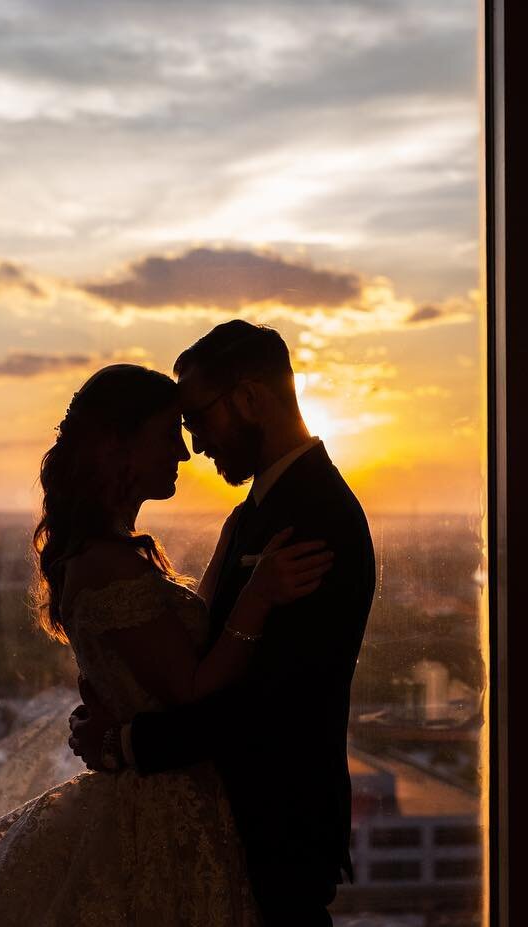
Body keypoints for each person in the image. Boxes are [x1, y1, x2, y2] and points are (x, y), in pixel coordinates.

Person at [0, 361, 335, 926]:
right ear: (119, 446)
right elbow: (192, 686)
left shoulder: (113, 553)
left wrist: (233, 541)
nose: (184, 453)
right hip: (161, 816)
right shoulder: (107, 565)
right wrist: (258, 597)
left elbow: (178, 641)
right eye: (167, 434)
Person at [70, 321, 378, 926]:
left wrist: (127, 741)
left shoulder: (314, 519)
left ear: (249, 399)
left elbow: (273, 701)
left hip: (276, 832)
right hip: (234, 833)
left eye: (198, 419)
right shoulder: (258, 515)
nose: (195, 445)